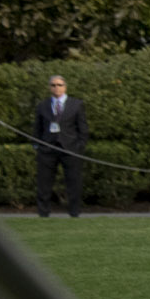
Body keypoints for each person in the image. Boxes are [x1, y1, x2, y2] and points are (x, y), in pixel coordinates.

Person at [31, 75, 89, 218]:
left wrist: (80, 146)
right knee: (44, 183)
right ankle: (43, 213)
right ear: (49, 87)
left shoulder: (76, 104)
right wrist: (37, 145)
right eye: (53, 85)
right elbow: (37, 128)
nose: (57, 88)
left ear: (65, 86)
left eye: (59, 85)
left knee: (73, 182)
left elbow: (83, 128)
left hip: (70, 149)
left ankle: (74, 212)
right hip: (47, 149)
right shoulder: (42, 105)